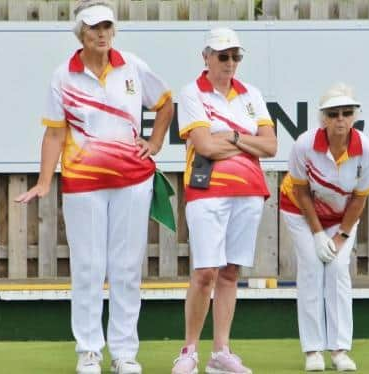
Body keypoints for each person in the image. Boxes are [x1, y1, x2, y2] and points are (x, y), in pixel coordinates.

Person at [15, 1, 174, 373]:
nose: (102, 34)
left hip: (133, 182)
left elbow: (165, 105)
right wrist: (42, 182)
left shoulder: (133, 66)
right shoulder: (63, 76)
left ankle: (123, 354)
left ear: (113, 30)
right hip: (83, 184)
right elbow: (54, 134)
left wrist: (155, 144)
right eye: (93, 29)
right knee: (88, 267)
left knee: (126, 267)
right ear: (81, 34)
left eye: (107, 27)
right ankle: (88, 350)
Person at [171, 27, 277, 374]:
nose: (230, 63)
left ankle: (221, 352)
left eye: (235, 56)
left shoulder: (252, 94)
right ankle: (189, 351)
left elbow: (271, 146)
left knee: (230, 273)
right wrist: (247, 141)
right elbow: (204, 146)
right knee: (205, 273)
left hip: (248, 192)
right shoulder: (191, 94)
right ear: (206, 57)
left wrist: (230, 135)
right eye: (223, 56)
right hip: (207, 192)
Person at [279, 83, 369, 372]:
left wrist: (341, 236)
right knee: (311, 267)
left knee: (336, 269)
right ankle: (312, 351)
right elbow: (300, 192)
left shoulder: (366, 149)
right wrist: (317, 232)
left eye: (346, 113)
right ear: (323, 118)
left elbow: (360, 197)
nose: (340, 119)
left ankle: (339, 350)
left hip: (342, 216)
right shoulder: (304, 145)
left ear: (354, 116)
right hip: (300, 211)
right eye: (333, 113)